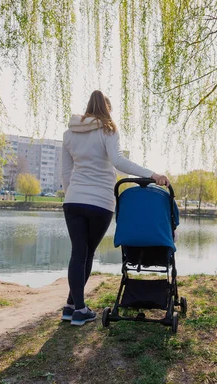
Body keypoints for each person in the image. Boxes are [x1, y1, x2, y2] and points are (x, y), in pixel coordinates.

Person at [60, 90, 169, 326]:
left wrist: (71, 195)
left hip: (74, 200)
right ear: (106, 109)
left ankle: (71, 306)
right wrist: (152, 174)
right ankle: (79, 310)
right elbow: (118, 161)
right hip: (100, 201)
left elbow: (66, 172)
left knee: (78, 252)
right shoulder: (108, 128)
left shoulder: (69, 134)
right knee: (87, 253)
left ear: (88, 107)